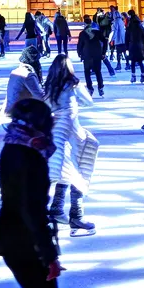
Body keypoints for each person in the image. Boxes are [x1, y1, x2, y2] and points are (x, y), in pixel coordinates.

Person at [0, 98, 62, 288]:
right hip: (24, 243)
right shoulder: (28, 156)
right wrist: (48, 256)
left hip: (14, 238)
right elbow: (31, 208)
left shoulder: (13, 146)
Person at [44, 55, 97, 234]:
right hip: (72, 134)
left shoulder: (50, 87)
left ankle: (57, 209)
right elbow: (89, 102)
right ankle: (77, 215)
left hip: (56, 136)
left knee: (66, 170)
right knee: (80, 169)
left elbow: (46, 107)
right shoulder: (74, 85)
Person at [5, 47, 45, 117]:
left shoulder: (16, 71)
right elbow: (40, 97)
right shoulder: (28, 74)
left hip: (9, 111)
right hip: (17, 115)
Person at [77, 21, 109, 97]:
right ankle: (100, 87)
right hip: (97, 54)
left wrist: (80, 54)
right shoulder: (97, 32)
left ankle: (90, 88)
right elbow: (105, 41)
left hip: (87, 55)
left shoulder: (83, 34)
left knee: (87, 72)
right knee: (98, 72)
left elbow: (79, 45)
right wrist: (103, 52)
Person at [125, 11, 144, 81]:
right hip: (139, 45)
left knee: (133, 61)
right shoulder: (140, 25)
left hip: (132, 45)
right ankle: (143, 75)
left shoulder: (130, 25)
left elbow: (127, 36)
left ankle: (133, 76)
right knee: (140, 61)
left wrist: (127, 46)